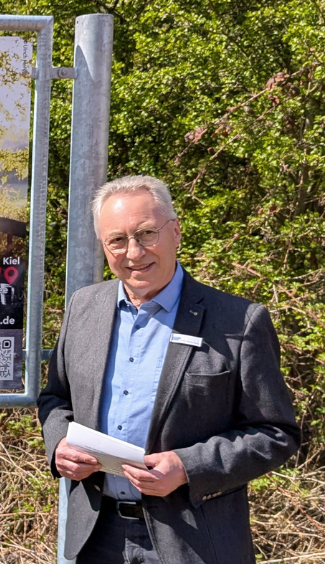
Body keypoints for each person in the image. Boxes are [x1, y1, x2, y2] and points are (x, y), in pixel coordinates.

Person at [38, 175, 300, 564]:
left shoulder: (238, 322)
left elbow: (277, 433)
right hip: (96, 536)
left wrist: (188, 467)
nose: (133, 252)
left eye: (146, 234)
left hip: (193, 541)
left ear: (175, 233)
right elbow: (56, 398)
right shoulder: (84, 307)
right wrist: (59, 445)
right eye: (116, 240)